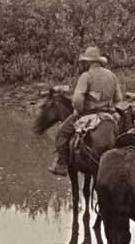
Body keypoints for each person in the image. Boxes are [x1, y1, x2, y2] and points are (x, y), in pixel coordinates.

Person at [50, 45, 122, 176]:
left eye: (85, 62)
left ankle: (62, 164)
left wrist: (78, 111)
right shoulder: (112, 75)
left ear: (88, 62)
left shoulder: (86, 76)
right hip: (108, 114)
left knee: (61, 133)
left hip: (88, 113)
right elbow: (118, 98)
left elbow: (77, 100)